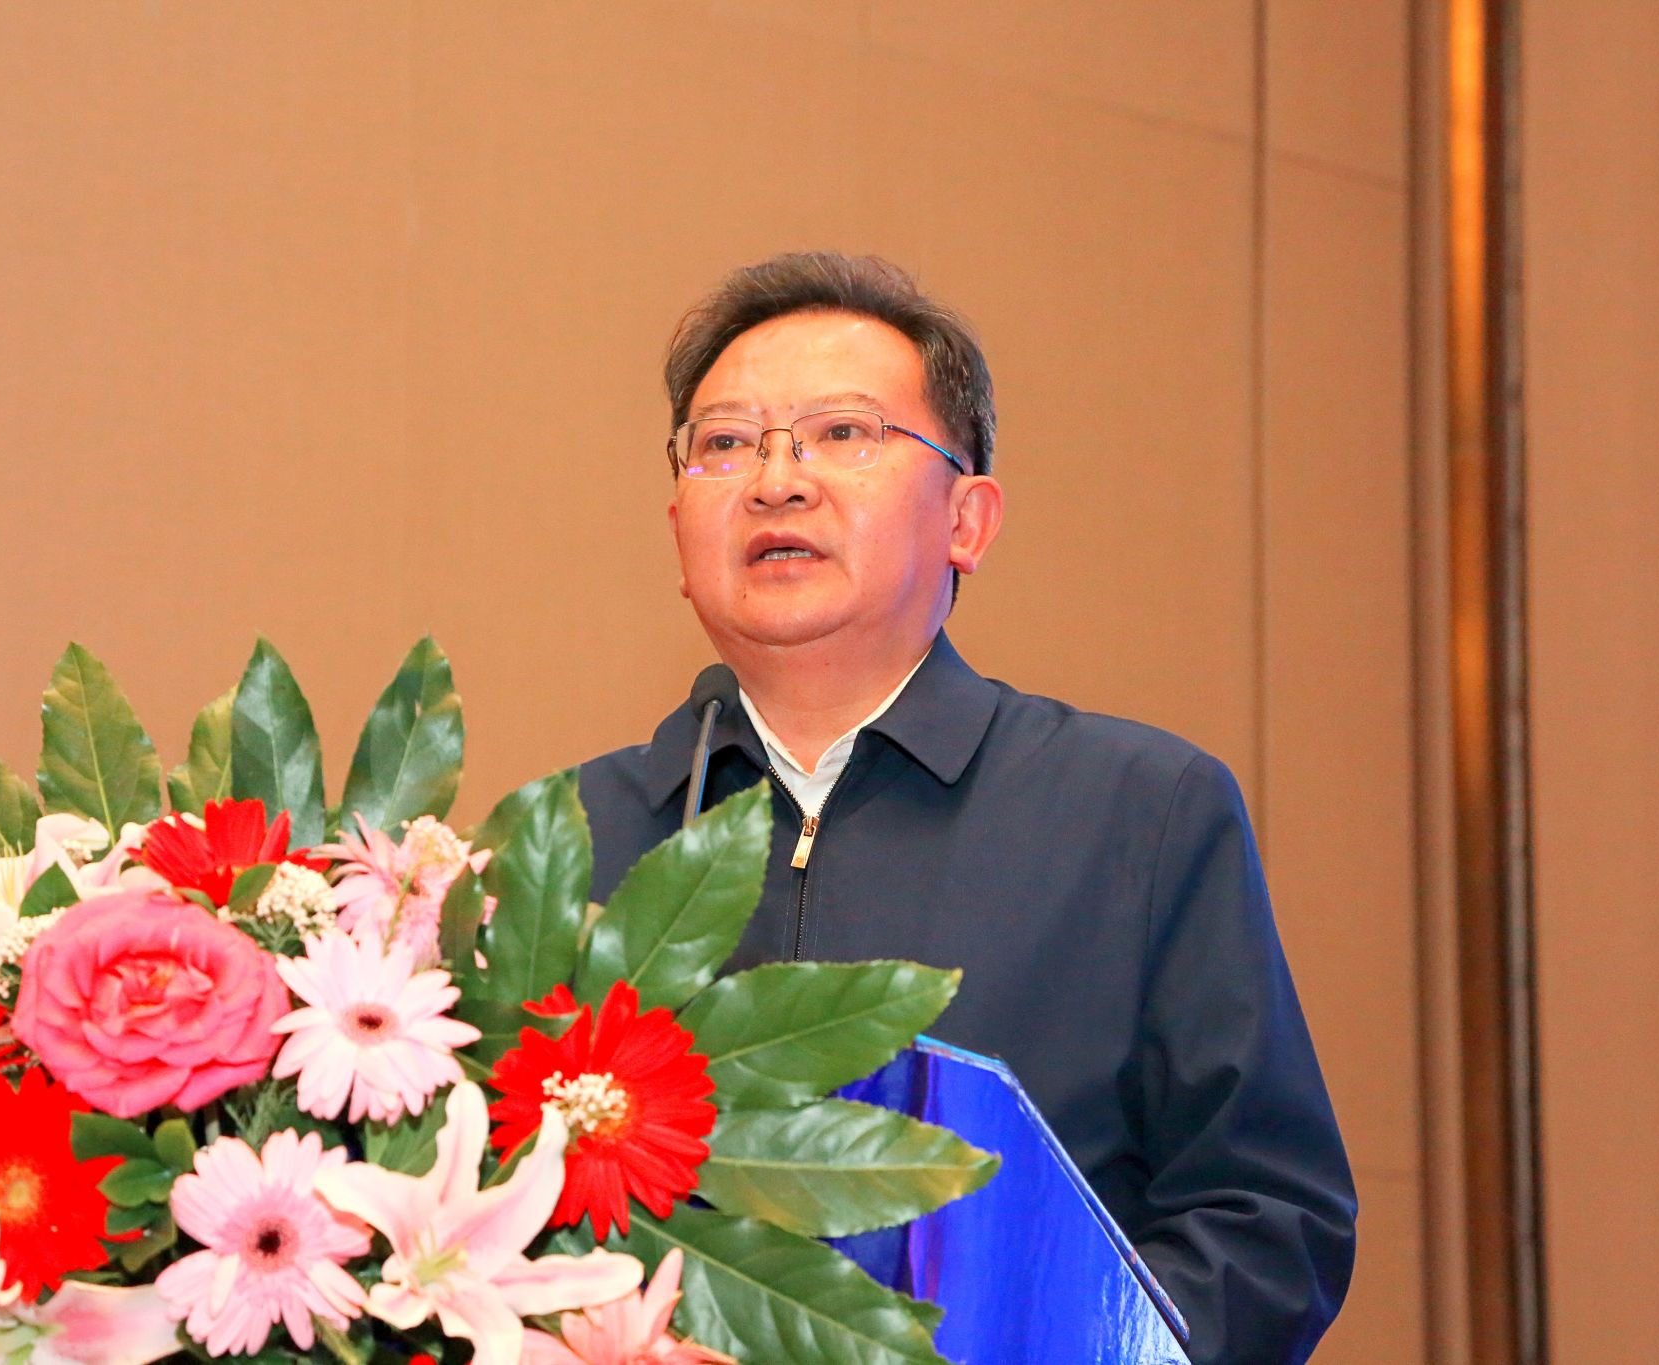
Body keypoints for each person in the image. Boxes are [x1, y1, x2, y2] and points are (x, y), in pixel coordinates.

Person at [576, 251, 1356, 1364]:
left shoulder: (1138, 814)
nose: (776, 481)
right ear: (677, 532)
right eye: (728, 444)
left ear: (967, 521)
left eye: (842, 433)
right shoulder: (572, 839)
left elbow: (1269, 1225)